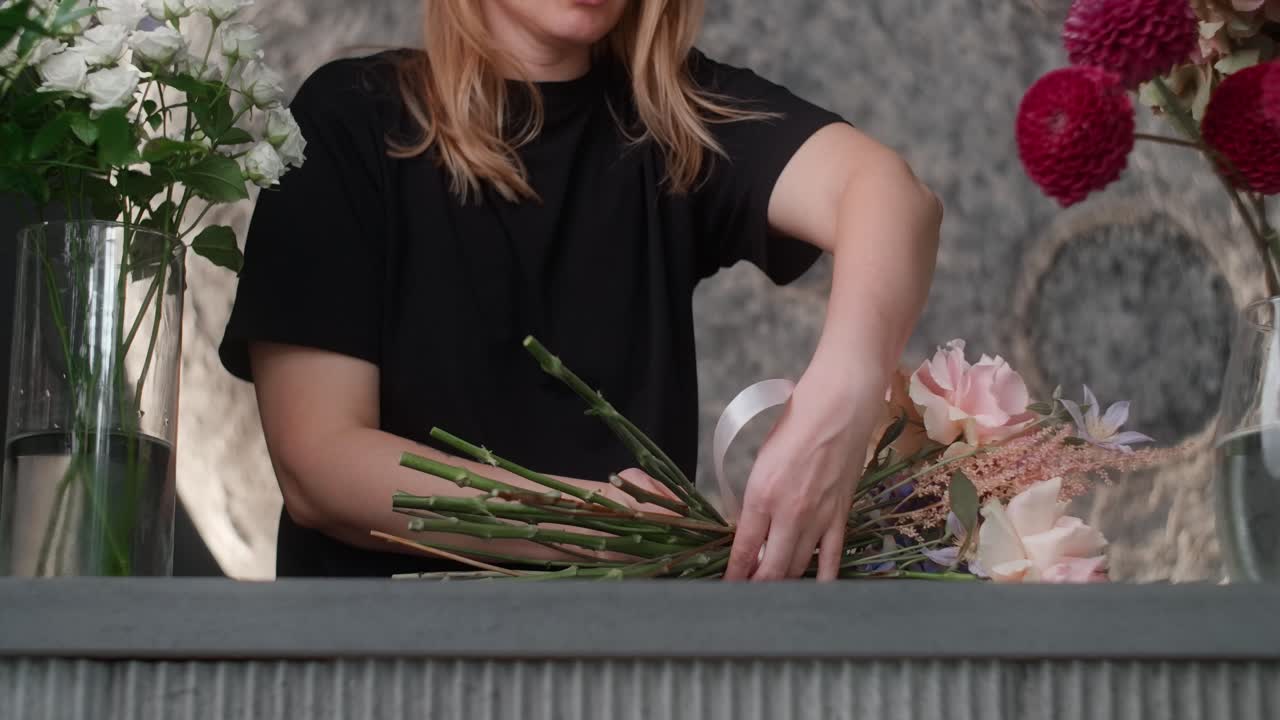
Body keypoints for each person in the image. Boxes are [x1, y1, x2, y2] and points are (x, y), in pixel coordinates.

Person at [219, 0, 942, 580]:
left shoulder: (674, 117)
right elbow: (320, 465)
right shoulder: (349, 117)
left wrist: (842, 397)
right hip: (376, 670)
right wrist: (590, 525)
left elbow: (893, 196)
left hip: (617, 670)